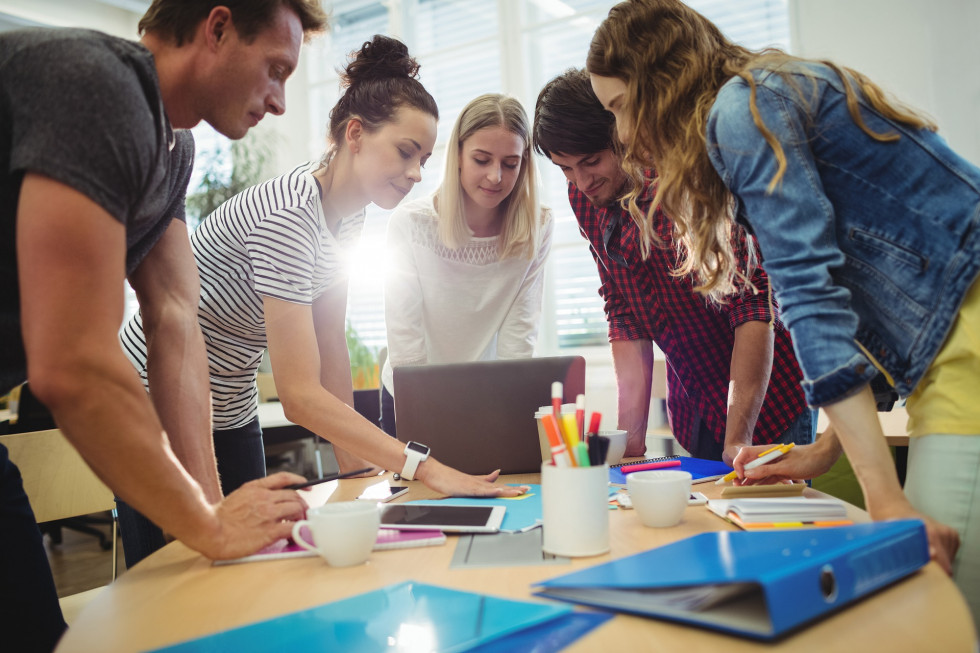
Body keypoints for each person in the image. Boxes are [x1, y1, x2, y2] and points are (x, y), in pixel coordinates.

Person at [586, 0, 977, 621]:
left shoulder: (743, 114)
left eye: (617, 107)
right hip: (949, 348)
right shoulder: (763, 92)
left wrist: (885, 500)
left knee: (934, 602)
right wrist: (824, 451)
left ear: (657, 84)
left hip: (969, 344)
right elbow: (870, 298)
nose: (625, 134)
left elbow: (811, 296)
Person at [118, 36, 527, 565]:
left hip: (231, 397)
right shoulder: (288, 214)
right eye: (405, 152)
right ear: (355, 134)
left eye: (424, 158)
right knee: (176, 575)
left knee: (243, 565)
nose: (417, 173)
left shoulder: (348, 215)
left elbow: (330, 343)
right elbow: (299, 395)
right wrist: (421, 466)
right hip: (158, 389)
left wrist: (358, 473)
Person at [0, 1, 328, 650]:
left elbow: (177, 319)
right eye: (275, 69)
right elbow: (73, 366)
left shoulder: (171, 145)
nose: (281, 101)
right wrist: (206, 524)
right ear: (217, 28)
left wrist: (214, 521)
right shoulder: (99, 85)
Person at [532, 68, 811, 462]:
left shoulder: (684, 180)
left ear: (622, 135)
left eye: (590, 161)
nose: (580, 182)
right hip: (695, 402)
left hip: (766, 400)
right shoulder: (585, 196)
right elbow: (623, 310)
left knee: (771, 519)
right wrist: (630, 440)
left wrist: (738, 439)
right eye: (565, 168)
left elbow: (750, 305)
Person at [381, 94, 554, 436]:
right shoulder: (411, 224)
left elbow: (519, 338)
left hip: (489, 393)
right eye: (481, 159)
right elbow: (406, 341)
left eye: (510, 163)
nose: (495, 177)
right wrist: (426, 415)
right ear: (458, 156)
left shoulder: (538, 226)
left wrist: (506, 413)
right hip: (411, 392)